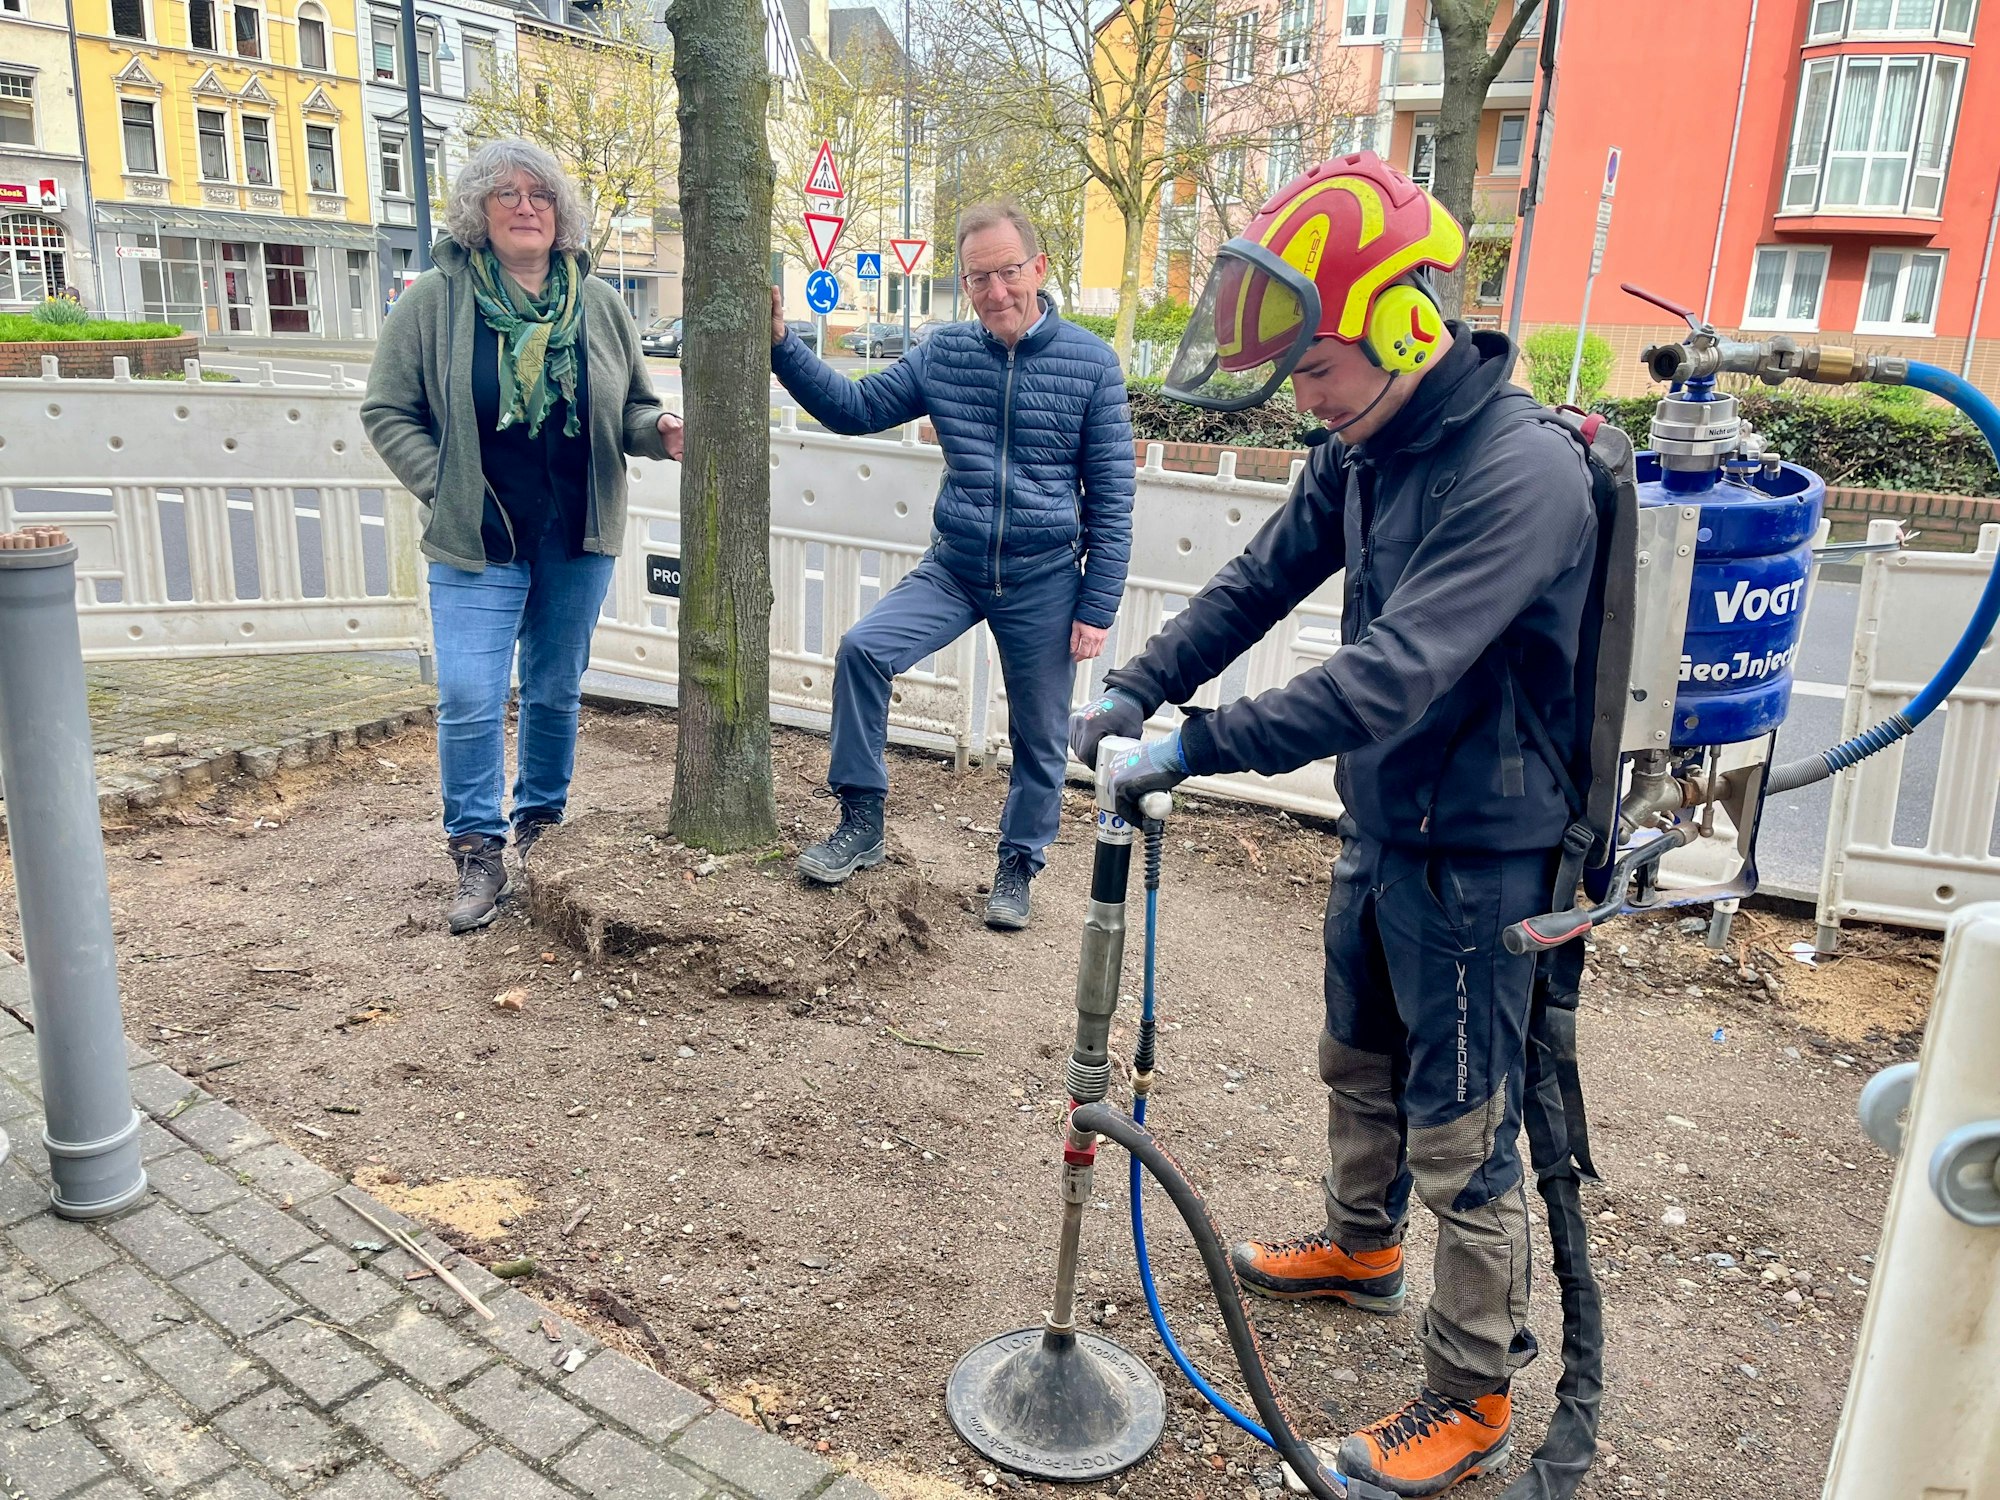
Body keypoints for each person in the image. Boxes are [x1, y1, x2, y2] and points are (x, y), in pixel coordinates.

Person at [1072, 152, 1599, 1497]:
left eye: (1315, 368)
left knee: (1463, 1126)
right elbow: (1258, 582)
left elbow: (1391, 673)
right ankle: (1360, 1247)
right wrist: (1140, 681)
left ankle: (1471, 1393)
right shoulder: (1365, 446)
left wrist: (1197, 744)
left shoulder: (1521, 475)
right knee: (1354, 1052)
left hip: (1489, 852)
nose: (1303, 397)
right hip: (1387, 824)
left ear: (1409, 330)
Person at [769, 201, 1134, 930]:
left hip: (1044, 576)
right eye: (977, 279)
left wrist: (1096, 607)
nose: (995, 292)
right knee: (863, 650)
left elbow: (1114, 499)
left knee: (1038, 732)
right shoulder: (945, 352)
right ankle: (861, 822)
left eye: (1006, 272)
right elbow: (854, 407)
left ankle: (1017, 866)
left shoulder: (1091, 364)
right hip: (958, 564)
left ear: (1039, 268)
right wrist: (782, 342)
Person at [361, 138, 685, 934]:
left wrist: (662, 429)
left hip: (576, 532)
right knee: (470, 695)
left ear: (560, 212)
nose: (525, 207)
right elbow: (386, 411)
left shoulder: (599, 303)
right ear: (478, 209)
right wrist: (447, 487)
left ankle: (541, 824)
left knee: (553, 690)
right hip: (479, 536)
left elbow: (632, 409)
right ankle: (477, 846)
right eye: (505, 194)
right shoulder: (434, 302)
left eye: (539, 195)